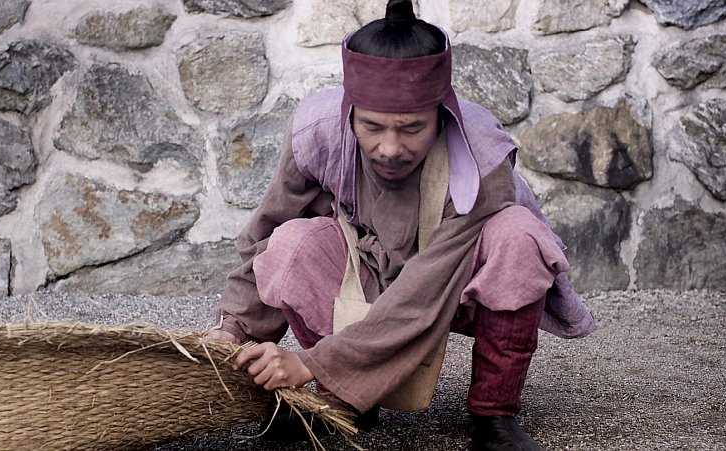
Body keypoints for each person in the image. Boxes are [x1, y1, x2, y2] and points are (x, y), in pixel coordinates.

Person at [205, 1, 595, 449]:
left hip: (456, 285)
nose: (390, 148)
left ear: (442, 115)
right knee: (289, 243)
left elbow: (423, 293)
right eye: (372, 127)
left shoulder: (482, 159)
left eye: (411, 129)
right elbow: (264, 232)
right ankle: (344, 401)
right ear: (350, 112)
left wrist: (311, 363)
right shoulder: (318, 132)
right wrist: (231, 330)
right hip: (371, 270)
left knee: (519, 235)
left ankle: (494, 415)